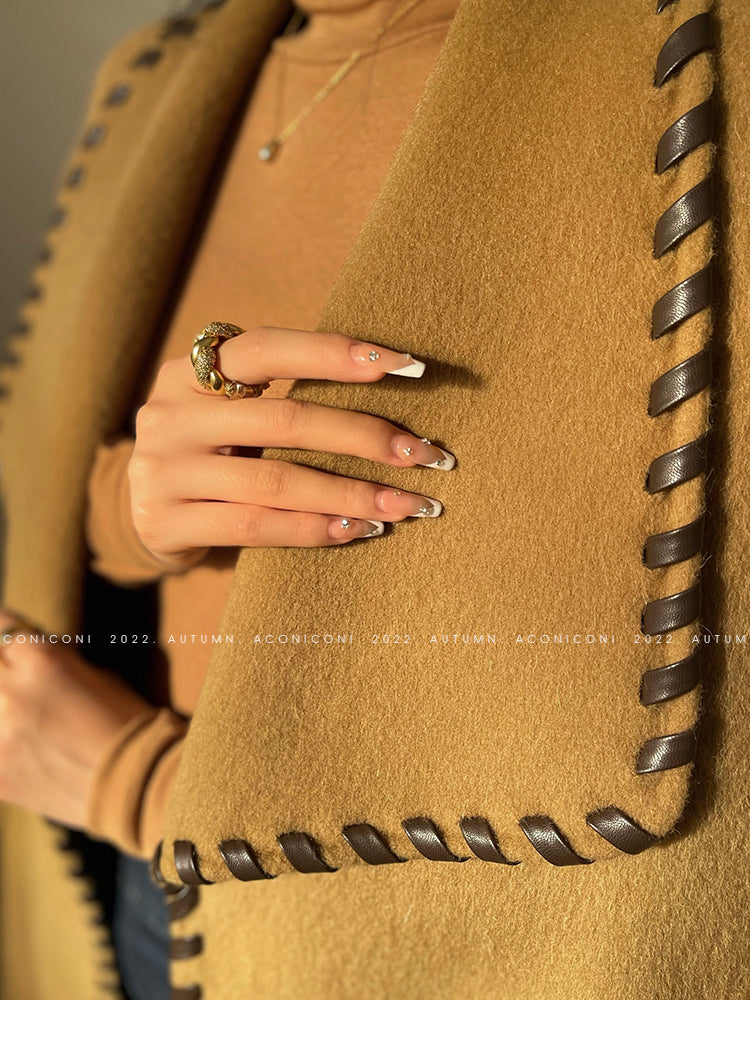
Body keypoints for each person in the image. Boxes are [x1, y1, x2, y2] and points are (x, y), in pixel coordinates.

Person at [1, 0, 749, 1000]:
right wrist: (133, 509)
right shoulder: (161, 77)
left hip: (452, 944)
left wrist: (134, 784)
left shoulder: (695, 52)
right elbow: (57, 485)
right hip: (102, 898)